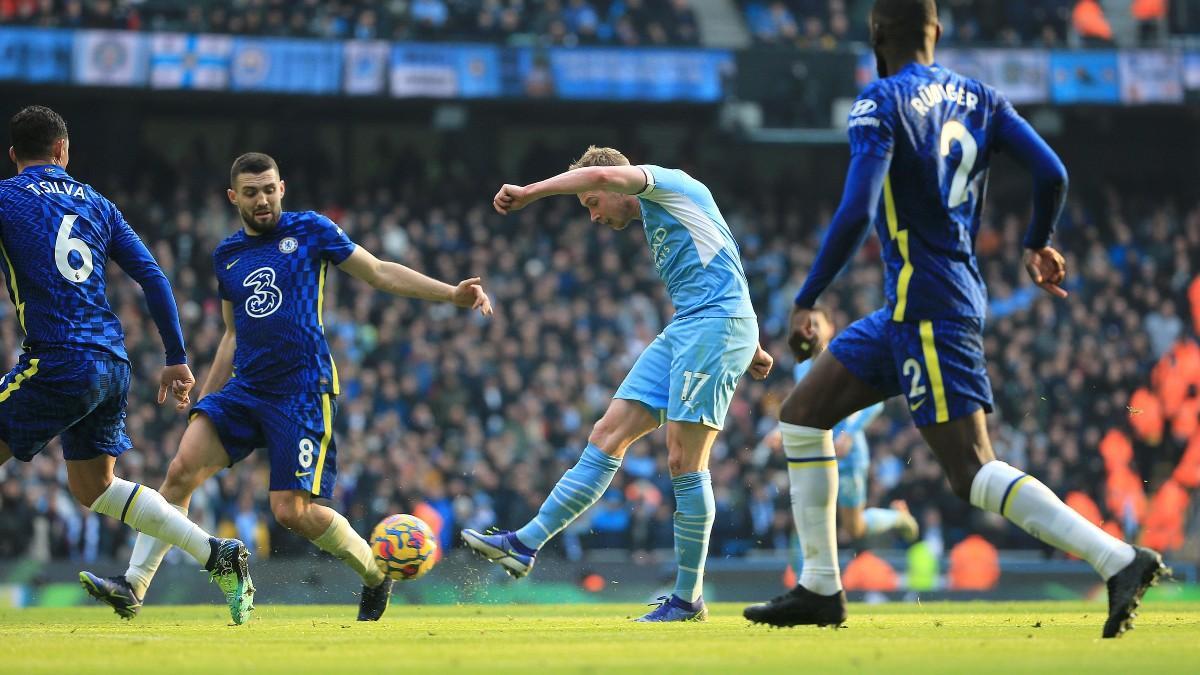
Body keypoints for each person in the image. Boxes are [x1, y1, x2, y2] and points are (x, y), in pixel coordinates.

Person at [742, 0, 1166, 639]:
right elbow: (1052, 171)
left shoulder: (879, 102)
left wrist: (809, 296)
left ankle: (1119, 558)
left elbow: (857, 210)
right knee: (802, 416)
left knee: (971, 470)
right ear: (935, 32)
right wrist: (1037, 241)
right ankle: (820, 586)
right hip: (911, 308)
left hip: (932, 305)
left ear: (877, 34)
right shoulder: (982, 98)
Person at [80, 152, 493, 622]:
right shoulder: (228, 255)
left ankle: (375, 575)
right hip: (244, 389)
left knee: (291, 512)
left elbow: (377, 270)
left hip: (301, 391)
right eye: (252, 192)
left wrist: (450, 293)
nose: (263, 200)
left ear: (283, 188)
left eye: (270, 189)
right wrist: (208, 397)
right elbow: (232, 334)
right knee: (179, 472)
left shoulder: (311, 231)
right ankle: (134, 585)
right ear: (233, 197)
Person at [461, 146, 773, 622]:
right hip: (692, 326)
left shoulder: (667, 182)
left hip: (712, 325)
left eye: (591, 203)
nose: (592, 217)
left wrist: (529, 192)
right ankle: (525, 544)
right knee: (607, 434)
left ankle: (688, 598)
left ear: (611, 184)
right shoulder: (658, 213)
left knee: (683, 460)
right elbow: (720, 258)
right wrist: (750, 344)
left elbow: (606, 174)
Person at [0, 105, 253, 624]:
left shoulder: (6, 197)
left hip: (58, 357)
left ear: (12, 156)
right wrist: (175, 357)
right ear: (62, 151)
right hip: (111, 364)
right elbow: (155, 278)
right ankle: (217, 554)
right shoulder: (97, 203)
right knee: (94, 488)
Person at [794, 307, 917, 553]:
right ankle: (809, 585)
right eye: (807, 326)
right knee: (808, 518)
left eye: (817, 324)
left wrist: (849, 432)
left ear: (831, 327)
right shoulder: (801, 367)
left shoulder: (845, 359)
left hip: (848, 455)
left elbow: (875, 401)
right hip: (818, 452)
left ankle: (898, 517)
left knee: (854, 528)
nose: (812, 331)